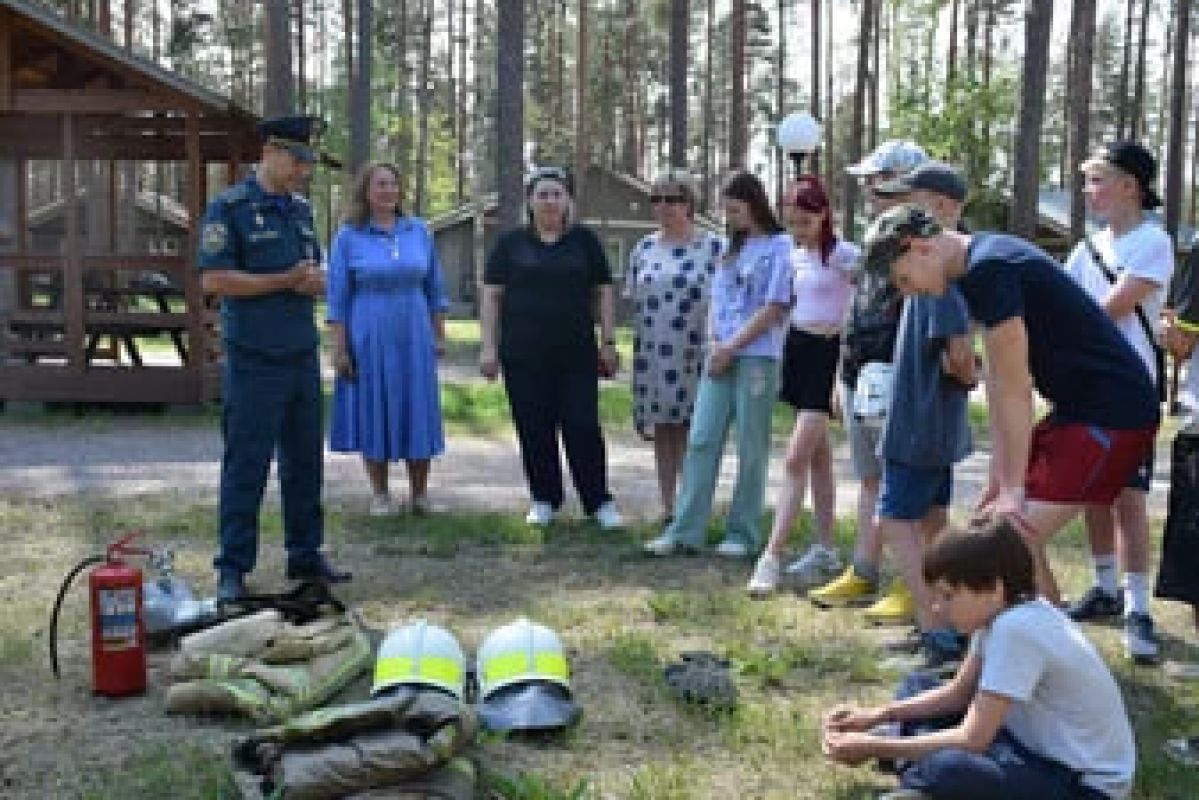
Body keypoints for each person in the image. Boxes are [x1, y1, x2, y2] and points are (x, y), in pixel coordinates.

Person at [861, 203, 1160, 607]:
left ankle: (1037, 656)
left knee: (1008, 539)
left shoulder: (989, 270)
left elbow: (1015, 388)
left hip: (1114, 413)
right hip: (1079, 410)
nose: (906, 291)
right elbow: (1001, 385)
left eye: (903, 279)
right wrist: (1000, 481)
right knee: (1002, 528)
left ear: (920, 248)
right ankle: (1047, 644)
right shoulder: (975, 267)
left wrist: (1014, 487)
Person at [822, 519, 1136, 800]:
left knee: (950, 768)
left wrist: (873, 746)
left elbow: (973, 739)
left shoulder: (1017, 629)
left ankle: (916, 770)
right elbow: (957, 695)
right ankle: (912, 761)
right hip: (1028, 747)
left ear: (993, 589)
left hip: (1081, 785)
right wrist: (876, 715)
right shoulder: (1002, 615)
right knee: (917, 685)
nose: (937, 609)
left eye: (948, 596)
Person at [816, 164, 977, 672]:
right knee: (931, 522)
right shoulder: (932, 271)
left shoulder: (943, 281)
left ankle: (936, 631)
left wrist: (971, 374)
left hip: (917, 424)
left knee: (892, 517)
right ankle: (945, 624)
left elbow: (959, 356)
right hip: (928, 423)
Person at [198, 115, 350, 601]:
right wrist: (283, 280)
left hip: (300, 354)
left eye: (308, 162)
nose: (304, 170)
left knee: (304, 463)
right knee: (247, 463)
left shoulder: (300, 212)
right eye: (298, 160)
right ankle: (232, 567)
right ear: (270, 152)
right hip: (253, 358)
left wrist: (317, 282)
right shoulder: (230, 209)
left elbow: (316, 270)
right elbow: (215, 281)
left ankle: (305, 554)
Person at [1060, 141, 1171, 663]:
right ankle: (1104, 587)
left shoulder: (1154, 242)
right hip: (1088, 388)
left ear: (1132, 185)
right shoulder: (1086, 248)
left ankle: (1138, 606)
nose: (1089, 192)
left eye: (1097, 179)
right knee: (1091, 494)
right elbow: (1062, 301)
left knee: (1129, 497)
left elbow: (1106, 311)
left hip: (1130, 388)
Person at [803, 140, 928, 599]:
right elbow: (856, 309)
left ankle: (907, 580)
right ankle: (863, 569)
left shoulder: (922, 239)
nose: (869, 190)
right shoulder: (875, 237)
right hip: (860, 372)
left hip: (900, 374)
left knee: (904, 481)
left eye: (877, 180)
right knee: (871, 477)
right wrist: (841, 373)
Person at [644, 171, 793, 557]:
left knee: (750, 444)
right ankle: (685, 530)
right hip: (720, 355)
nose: (730, 218)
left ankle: (741, 533)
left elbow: (774, 306)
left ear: (755, 205)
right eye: (726, 211)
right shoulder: (731, 248)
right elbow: (717, 300)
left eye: (736, 210)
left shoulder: (779, 246)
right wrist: (716, 343)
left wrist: (734, 346)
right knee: (701, 439)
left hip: (757, 356)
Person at [479, 166, 623, 529]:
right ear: (530, 200)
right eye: (542, 194)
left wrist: (608, 341)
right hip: (523, 354)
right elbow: (492, 294)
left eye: (556, 194)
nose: (549, 201)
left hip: (575, 353)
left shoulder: (584, 242)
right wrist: (487, 347)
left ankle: (599, 502)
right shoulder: (510, 244)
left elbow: (603, 291)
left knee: (582, 425)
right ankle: (544, 498)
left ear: (567, 200)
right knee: (534, 428)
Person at [746, 174, 859, 596]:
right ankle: (826, 546)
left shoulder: (846, 256)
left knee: (794, 457)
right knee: (817, 458)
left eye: (806, 222)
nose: (799, 231)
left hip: (831, 354)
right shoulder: (795, 257)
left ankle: (770, 556)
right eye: (792, 223)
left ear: (824, 215)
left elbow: (859, 309)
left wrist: (838, 378)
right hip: (800, 349)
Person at [326, 162, 448, 516]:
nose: (388, 191)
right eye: (380, 185)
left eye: (393, 184)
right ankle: (380, 494)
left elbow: (435, 289)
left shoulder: (418, 231)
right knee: (373, 407)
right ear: (366, 191)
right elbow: (338, 297)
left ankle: (420, 494)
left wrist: (438, 335)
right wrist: (340, 347)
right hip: (369, 331)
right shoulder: (349, 236)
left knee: (417, 407)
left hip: (413, 330)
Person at [624, 170, 723, 522]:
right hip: (654, 351)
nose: (664, 206)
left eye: (673, 199)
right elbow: (634, 300)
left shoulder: (714, 247)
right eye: (657, 199)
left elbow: (730, 300)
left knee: (694, 431)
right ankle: (668, 505)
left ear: (689, 203)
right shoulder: (644, 248)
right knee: (663, 428)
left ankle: (693, 505)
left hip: (696, 351)